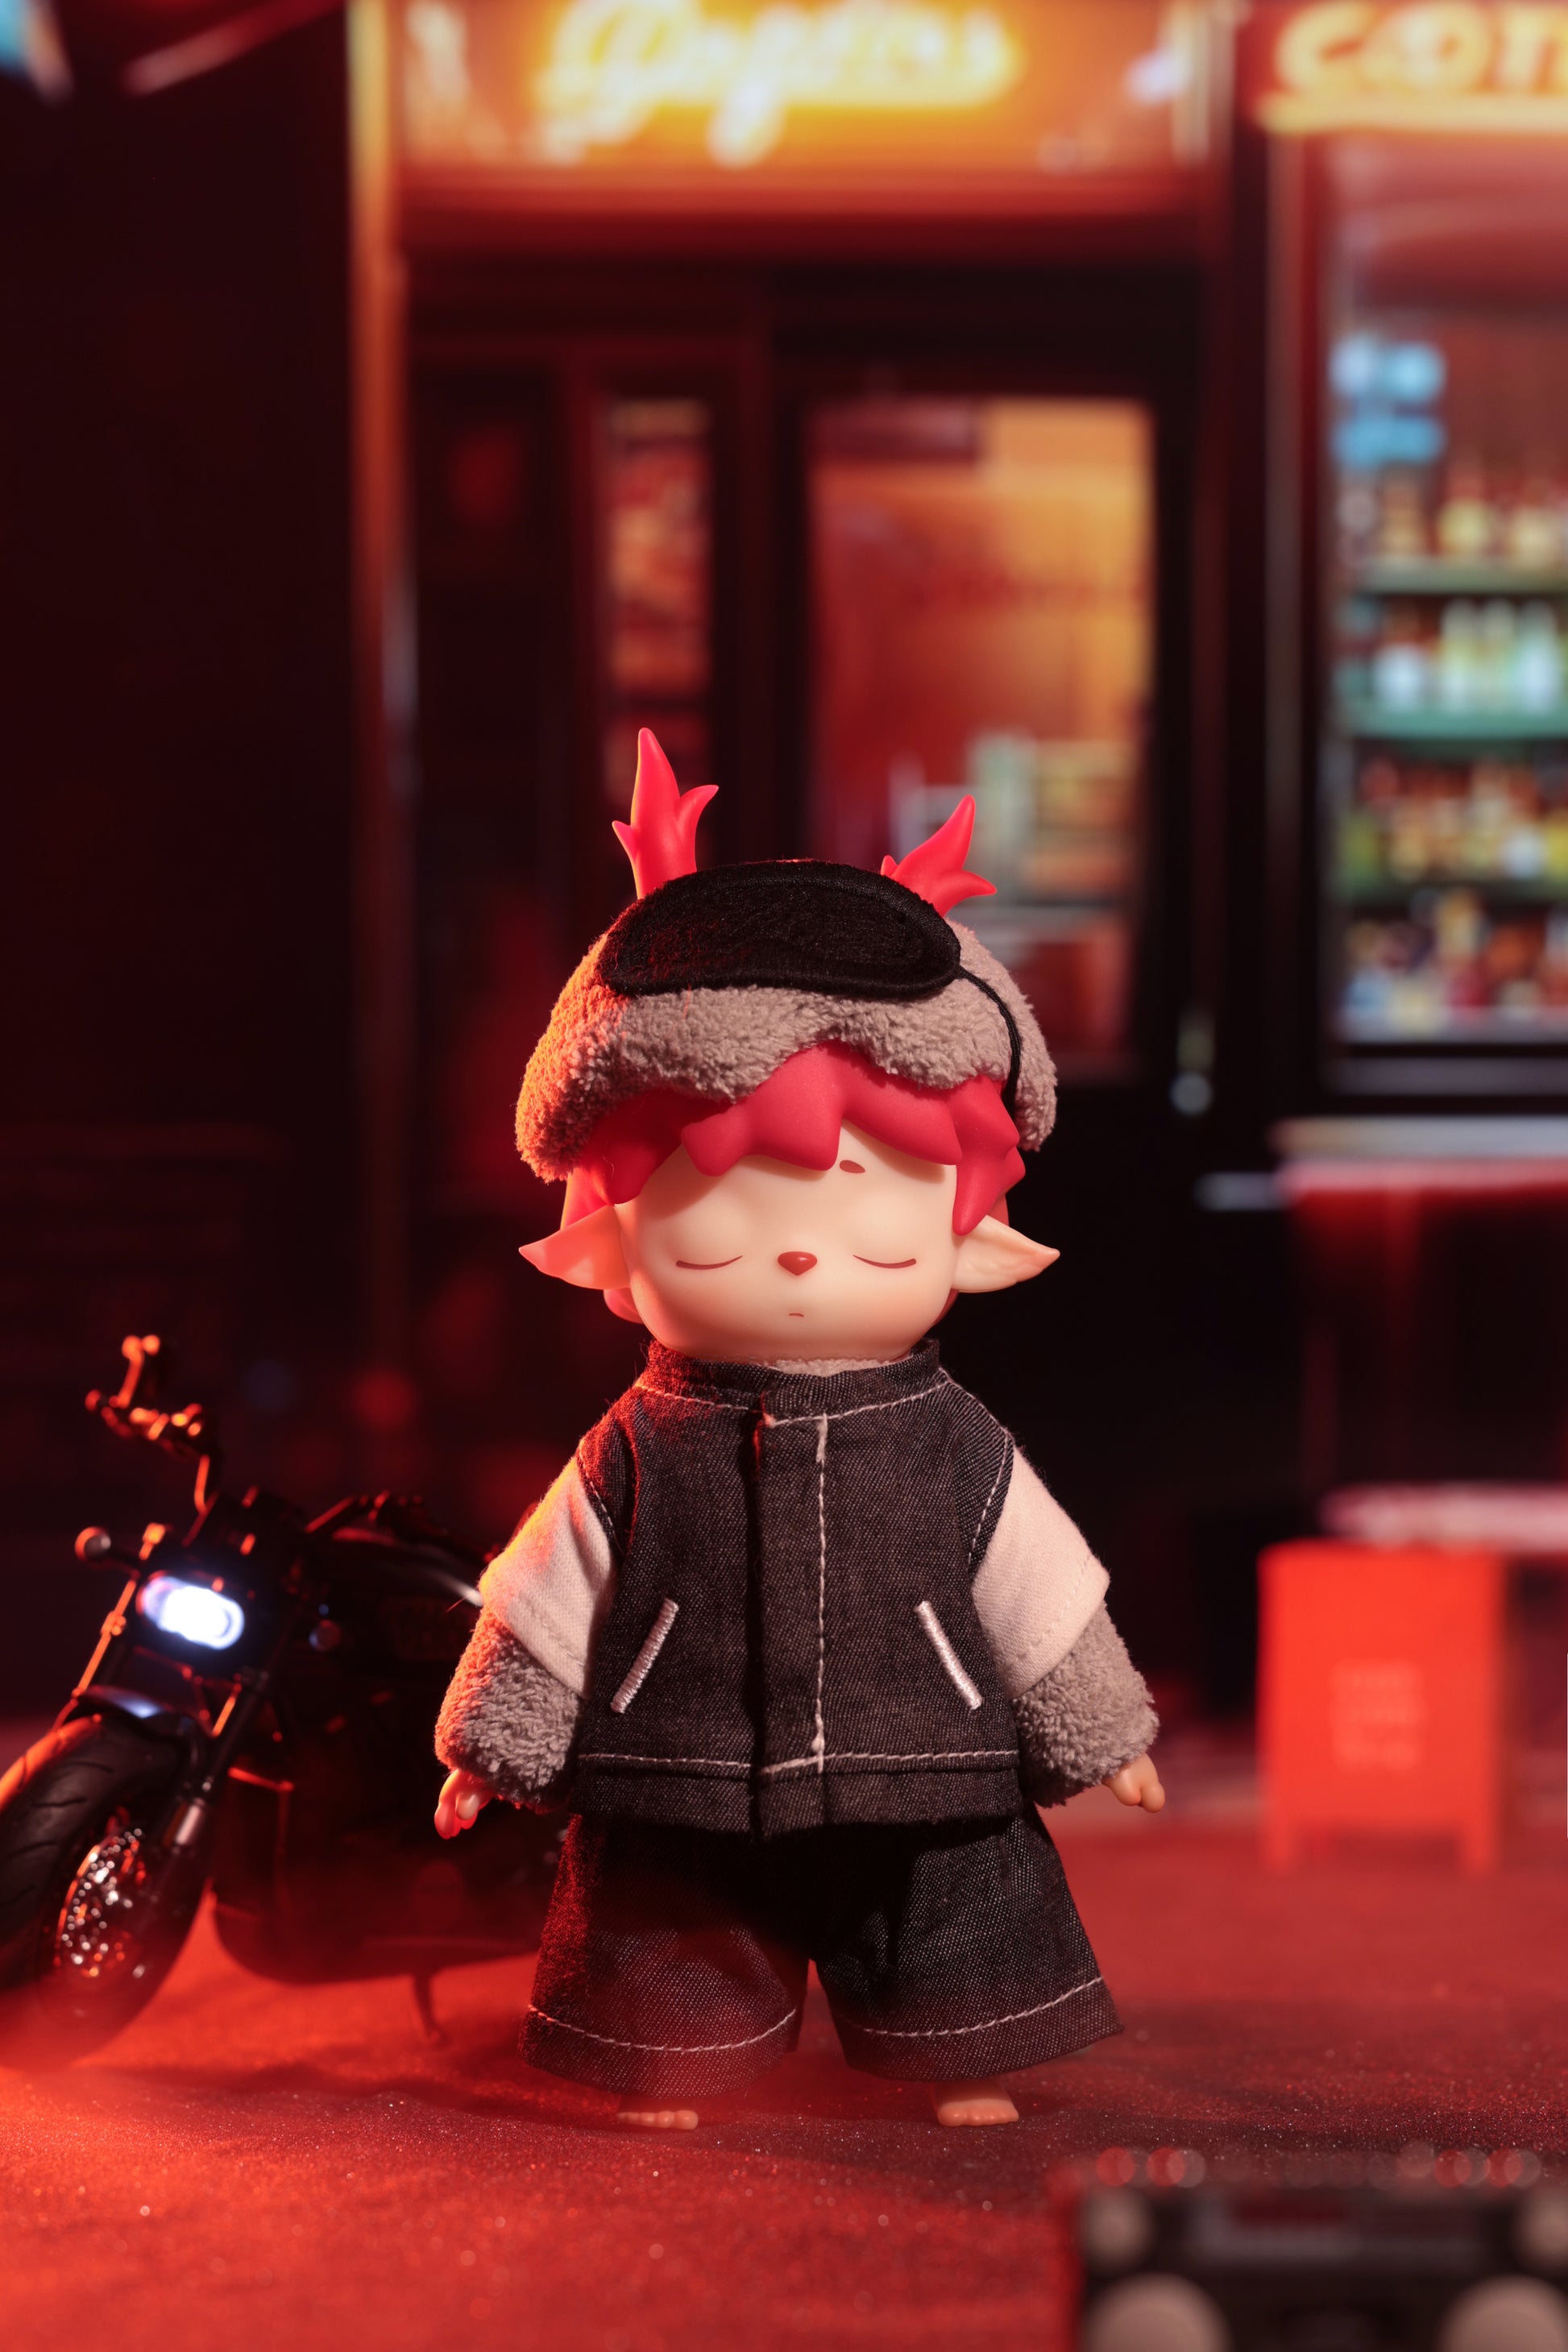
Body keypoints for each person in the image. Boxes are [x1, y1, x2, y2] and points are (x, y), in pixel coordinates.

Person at [433, 731, 1164, 2130]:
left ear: (970, 1242)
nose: (795, 1254)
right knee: (666, 1925)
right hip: (676, 1761)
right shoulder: (634, 1446)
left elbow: (1035, 1584)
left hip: (928, 1753)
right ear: (611, 1242)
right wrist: (491, 1737)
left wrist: (1096, 1724)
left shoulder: (952, 1439)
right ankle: (669, 2059)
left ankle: (961, 2049)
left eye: (869, 1220)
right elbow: (545, 1595)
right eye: (717, 1215)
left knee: (951, 1913)